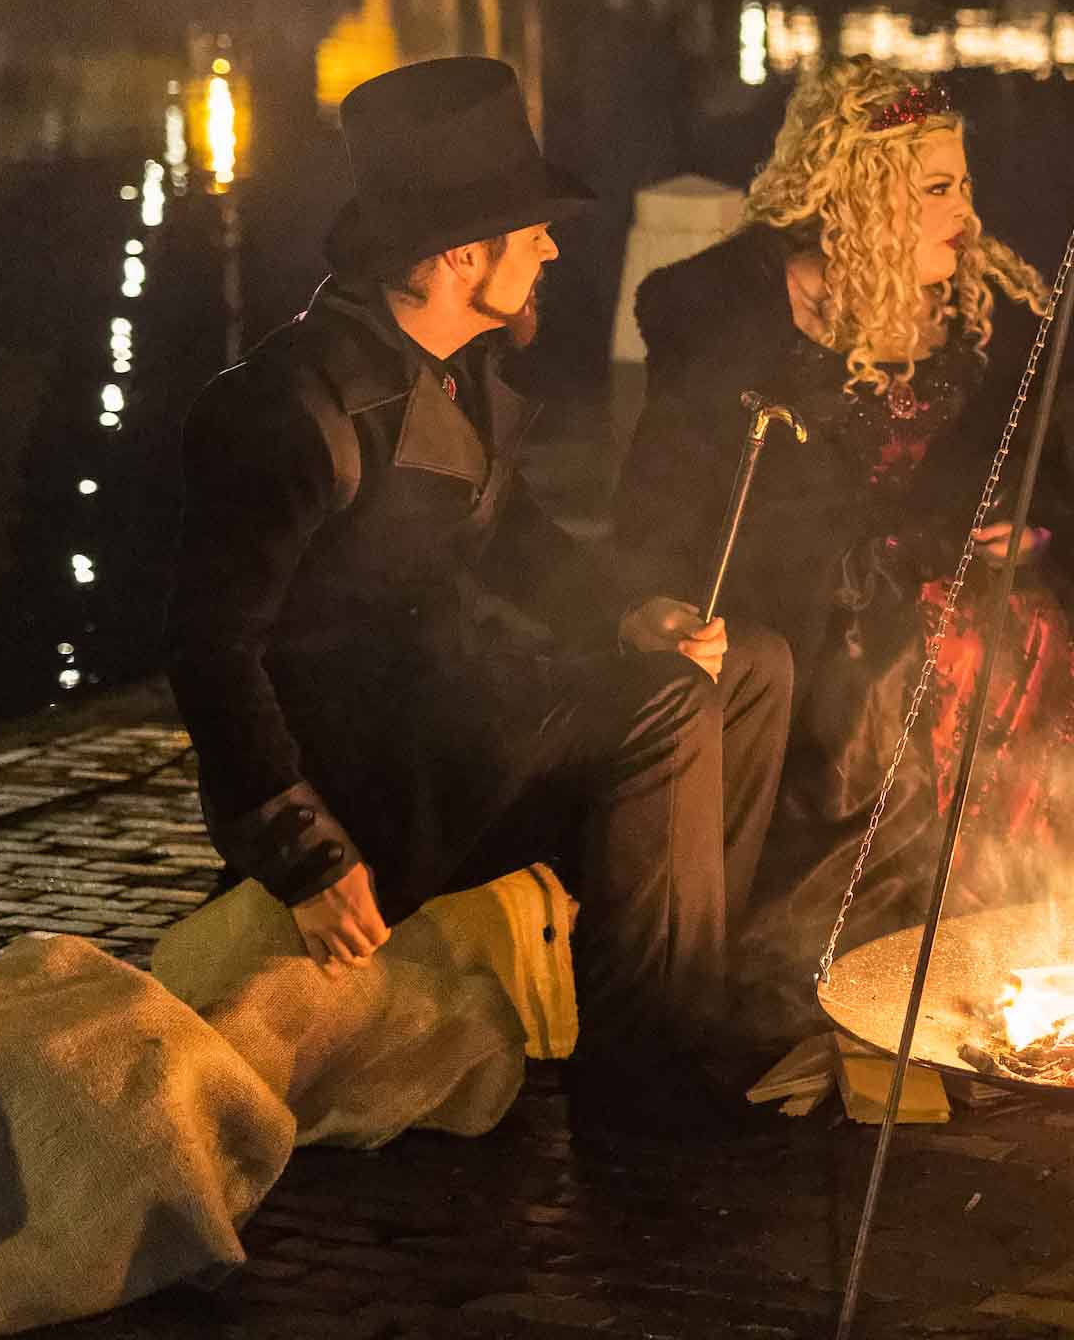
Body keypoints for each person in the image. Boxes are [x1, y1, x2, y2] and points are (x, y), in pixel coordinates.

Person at [166, 57, 793, 1135]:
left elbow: (515, 535)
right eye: (533, 228)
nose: (553, 247)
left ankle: (693, 1001)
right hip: (374, 786)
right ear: (463, 252)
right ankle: (638, 1080)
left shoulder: (457, 363)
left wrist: (628, 612)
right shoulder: (289, 407)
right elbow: (210, 646)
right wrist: (307, 856)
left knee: (747, 668)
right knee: (663, 708)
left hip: (464, 725)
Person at [613, 58, 1074, 1039]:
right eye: (935, 187)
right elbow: (665, 489)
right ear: (865, 195)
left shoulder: (972, 314)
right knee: (921, 661)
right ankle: (859, 952)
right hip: (790, 591)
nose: (964, 208)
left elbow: (1044, 474)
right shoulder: (734, 314)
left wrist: (1031, 526)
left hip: (930, 579)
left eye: (964, 182)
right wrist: (653, 599)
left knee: (1011, 626)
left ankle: (992, 933)